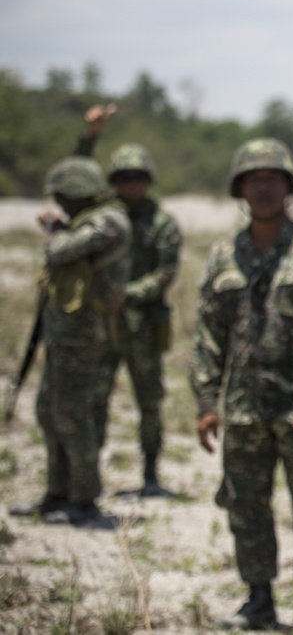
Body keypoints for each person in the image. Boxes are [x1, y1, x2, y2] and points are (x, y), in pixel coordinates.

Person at [189, 138, 293, 632]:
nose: (263, 188)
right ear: (240, 189)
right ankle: (258, 599)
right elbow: (207, 336)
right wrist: (205, 401)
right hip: (242, 411)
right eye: (253, 180)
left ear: (289, 188)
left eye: (273, 179)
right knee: (246, 506)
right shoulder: (223, 257)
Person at [9, 156, 131, 526]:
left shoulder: (110, 221)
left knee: (74, 416)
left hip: (83, 337)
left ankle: (84, 498)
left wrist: (54, 231)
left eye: (64, 196)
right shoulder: (88, 221)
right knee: (49, 411)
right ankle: (56, 492)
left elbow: (59, 251)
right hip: (63, 335)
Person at [74, 104, 183, 497]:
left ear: (148, 180)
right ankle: (89, 475)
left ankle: (151, 475)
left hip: (144, 322)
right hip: (103, 324)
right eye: (124, 177)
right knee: (95, 400)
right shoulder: (103, 216)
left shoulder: (162, 223)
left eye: (138, 177)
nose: (131, 184)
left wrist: (130, 295)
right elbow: (75, 183)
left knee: (150, 401)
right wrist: (90, 138)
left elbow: (167, 271)